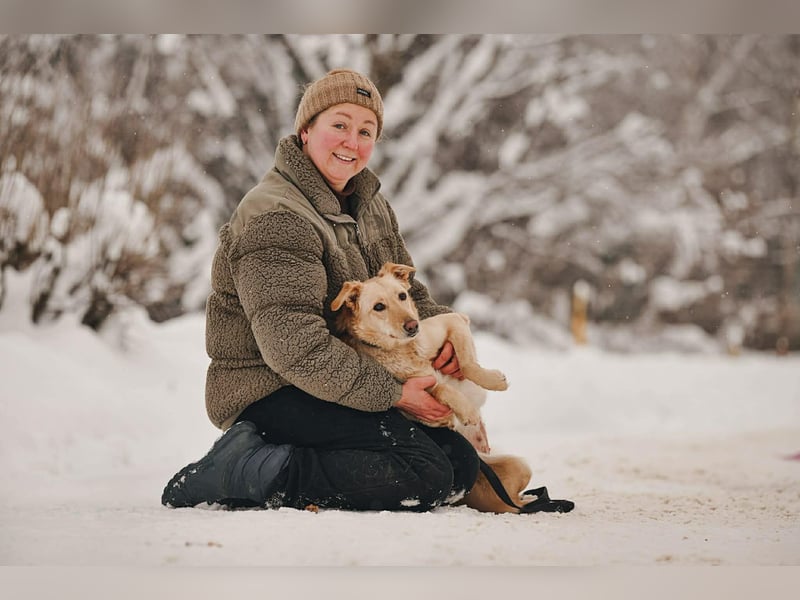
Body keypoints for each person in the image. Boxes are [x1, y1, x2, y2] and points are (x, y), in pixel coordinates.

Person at [161, 69, 480, 512]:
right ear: (306, 131)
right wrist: (393, 394)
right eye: (340, 125)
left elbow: (412, 297)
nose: (352, 141)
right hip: (271, 389)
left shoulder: (370, 206)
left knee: (459, 465)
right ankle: (244, 467)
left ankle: (290, 458)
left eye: (366, 131)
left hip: (343, 379)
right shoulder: (276, 215)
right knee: (424, 474)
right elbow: (293, 345)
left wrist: (440, 345)